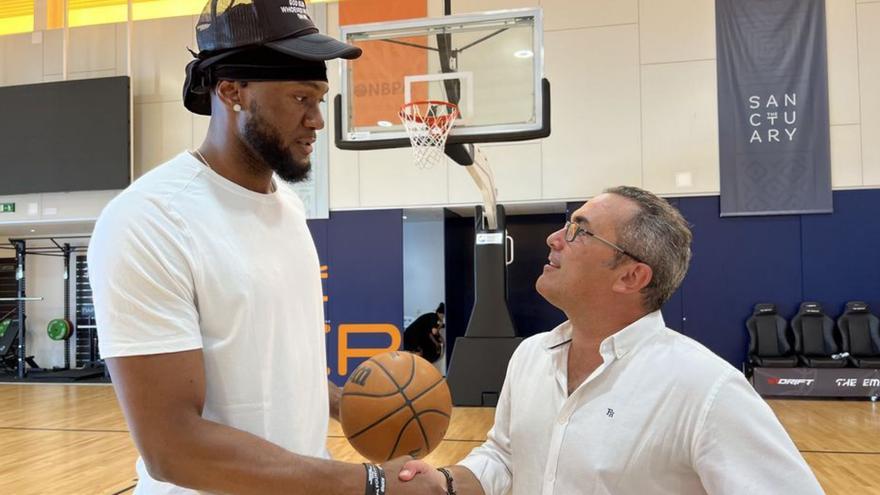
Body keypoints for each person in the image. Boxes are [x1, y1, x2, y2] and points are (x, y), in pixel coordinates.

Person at [88, 1, 444, 494]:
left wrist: (348, 403)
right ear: (232, 92)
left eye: (320, 98)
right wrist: (369, 486)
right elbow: (173, 447)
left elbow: (268, 366)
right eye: (301, 98)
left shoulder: (289, 207)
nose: (318, 120)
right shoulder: (150, 220)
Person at [400, 186, 825, 494]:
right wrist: (445, 482)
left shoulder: (707, 389)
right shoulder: (529, 356)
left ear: (631, 276)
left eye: (578, 231)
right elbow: (504, 459)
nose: (554, 238)